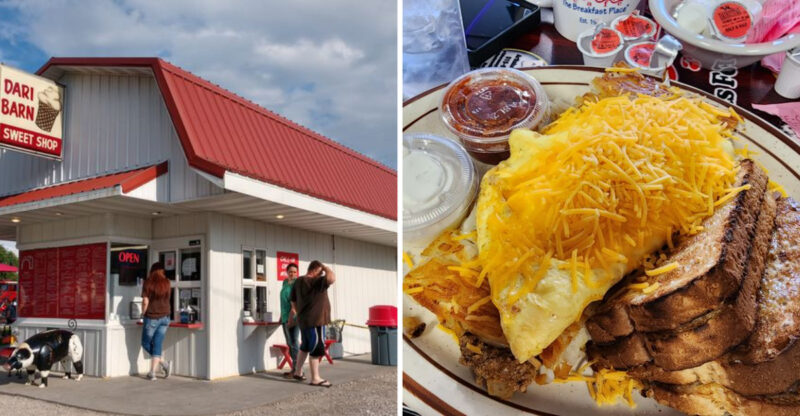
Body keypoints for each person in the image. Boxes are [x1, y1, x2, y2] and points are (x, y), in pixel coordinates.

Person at [290, 260, 336, 387]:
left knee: (305, 346)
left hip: (304, 320)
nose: (322, 274)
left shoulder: (298, 281)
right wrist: (325, 267)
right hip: (316, 321)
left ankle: (298, 372)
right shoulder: (317, 281)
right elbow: (331, 279)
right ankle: (315, 378)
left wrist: (299, 312)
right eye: (320, 272)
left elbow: (293, 301)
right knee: (317, 347)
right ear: (316, 270)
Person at [141, 262, 172, 381]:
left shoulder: (148, 283)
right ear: (161, 271)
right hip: (165, 317)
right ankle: (159, 368)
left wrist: (142, 313)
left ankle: (156, 370)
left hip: (152, 317)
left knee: (145, 343)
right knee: (157, 344)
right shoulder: (167, 283)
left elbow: (145, 301)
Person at [279, 263, 301, 378]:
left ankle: (297, 370)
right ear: (287, 272)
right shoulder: (285, 282)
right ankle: (296, 368)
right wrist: (281, 315)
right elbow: (284, 301)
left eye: (294, 272)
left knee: (293, 342)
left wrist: (292, 314)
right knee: (289, 343)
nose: (292, 274)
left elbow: (297, 301)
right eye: (290, 271)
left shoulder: (297, 284)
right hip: (284, 316)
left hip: (293, 317)